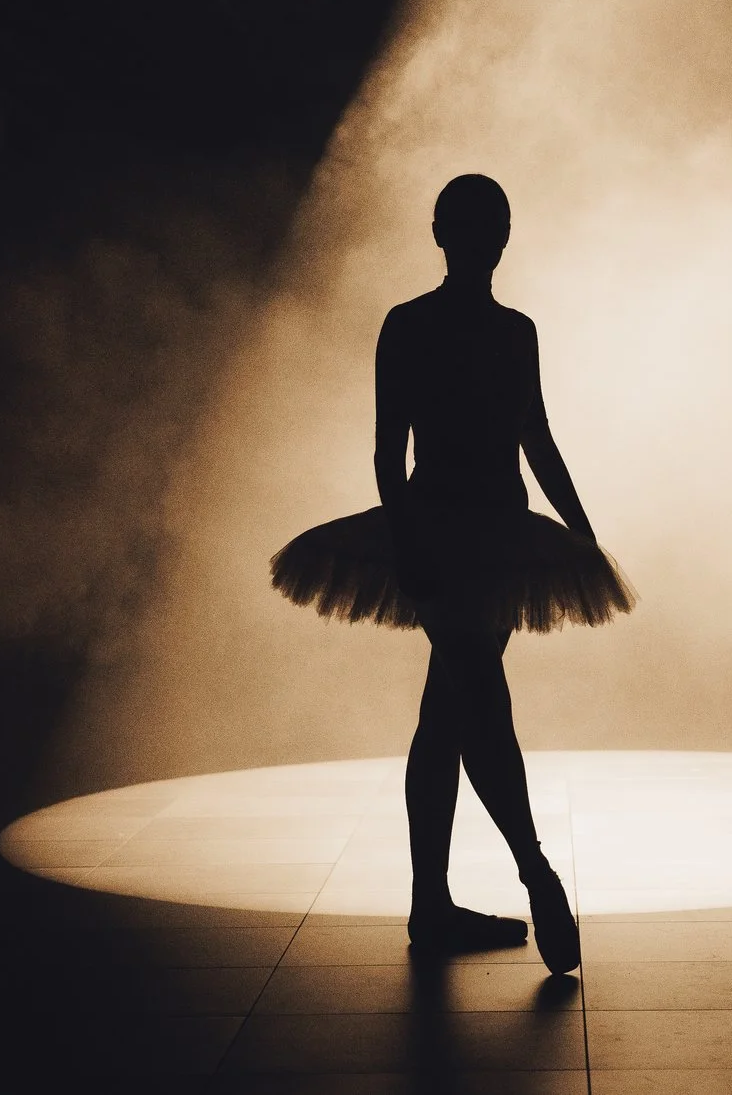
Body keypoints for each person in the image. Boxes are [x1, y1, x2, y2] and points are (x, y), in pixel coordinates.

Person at [270, 174, 630, 973]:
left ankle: (433, 903)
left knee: (450, 712)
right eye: (482, 226)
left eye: (488, 226)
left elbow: (526, 438)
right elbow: (412, 451)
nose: (487, 240)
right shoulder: (454, 327)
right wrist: (414, 541)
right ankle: (533, 872)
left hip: (474, 530)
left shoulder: (459, 327)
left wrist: (579, 531)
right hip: (465, 529)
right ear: (465, 235)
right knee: (475, 696)